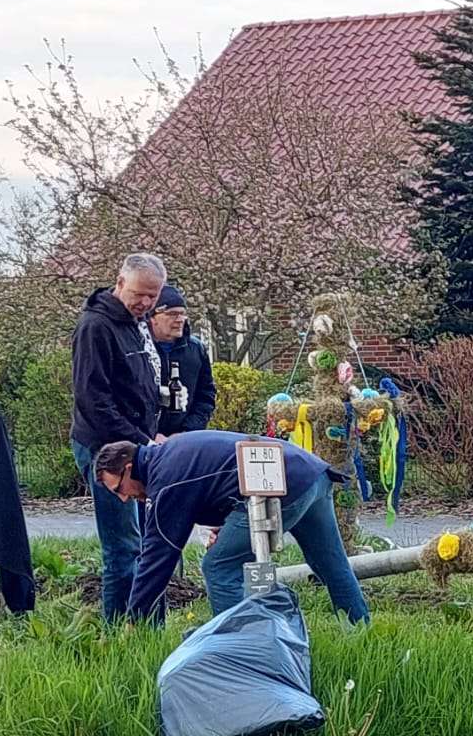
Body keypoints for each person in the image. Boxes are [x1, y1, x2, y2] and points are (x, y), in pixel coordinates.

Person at [92, 430, 369, 626]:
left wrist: (135, 618)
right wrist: (228, 523)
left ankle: (241, 650)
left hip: (282, 485)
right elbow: (219, 476)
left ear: (129, 467)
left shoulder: (165, 482)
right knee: (331, 563)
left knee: (219, 565)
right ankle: (361, 631)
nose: (124, 498)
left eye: (120, 488)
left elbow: (157, 556)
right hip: (311, 475)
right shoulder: (168, 457)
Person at [70, 252, 167, 621]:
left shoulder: (135, 323)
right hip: (107, 451)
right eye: (140, 294)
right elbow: (93, 401)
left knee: (145, 542)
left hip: (136, 444)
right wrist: (142, 443)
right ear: (120, 282)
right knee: (124, 547)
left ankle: (144, 625)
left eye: (153, 296)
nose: (146, 303)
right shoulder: (95, 327)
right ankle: (119, 630)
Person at [151, 284, 216, 437]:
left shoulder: (196, 349)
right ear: (152, 317)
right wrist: (150, 434)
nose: (180, 320)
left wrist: (187, 432)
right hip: (144, 441)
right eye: (172, 313)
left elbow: (206, 396)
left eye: (182, 314)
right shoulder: (137, 349)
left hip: (184, 440)